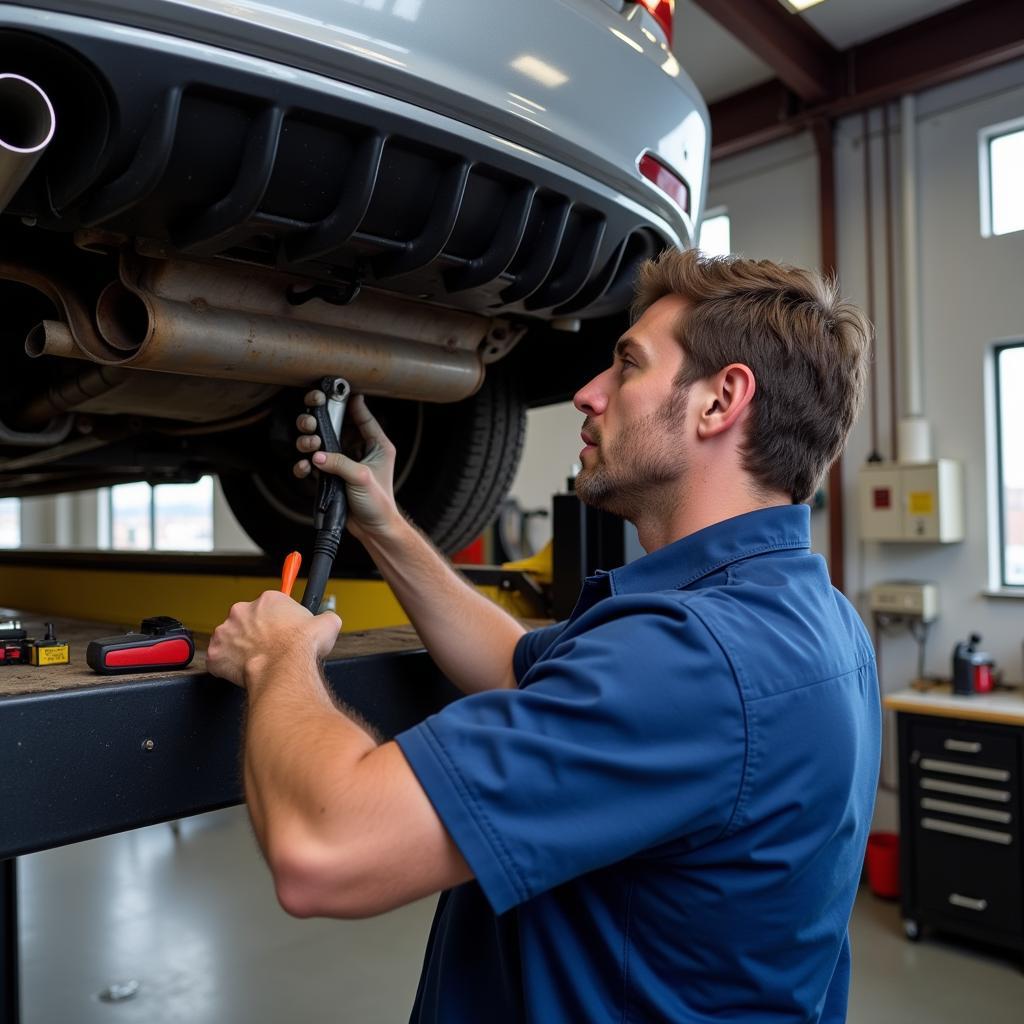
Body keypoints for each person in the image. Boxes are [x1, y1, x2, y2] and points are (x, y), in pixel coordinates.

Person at [207, 248, 881, 1023]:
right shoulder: (814, 620)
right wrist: (386, 524)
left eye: (627, 366)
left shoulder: (689, 661)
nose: (588, 394)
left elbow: (322, 850)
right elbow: (514, 665)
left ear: (720, 401)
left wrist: (278, 654)